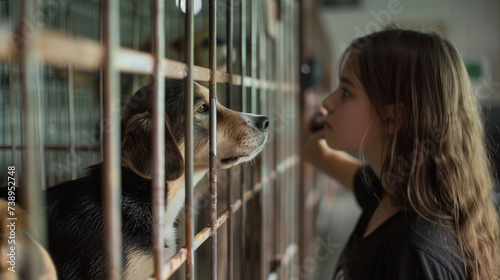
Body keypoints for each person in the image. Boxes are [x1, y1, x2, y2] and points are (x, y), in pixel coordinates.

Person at [303, 27, 500, 280]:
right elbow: (318, 155)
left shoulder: (412, 251)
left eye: (346, 92)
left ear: (394, 118)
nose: (328, 103)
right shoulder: (392, 191)